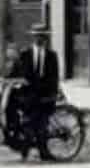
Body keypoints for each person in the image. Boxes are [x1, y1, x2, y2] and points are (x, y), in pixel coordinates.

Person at [6, 24, 61, 159]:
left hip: (44, 95)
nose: (39, 39)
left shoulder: (52, 56)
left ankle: (41, 150)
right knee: (20, 115)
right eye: (37, 36)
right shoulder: (25, 54)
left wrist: (51, 94)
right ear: (33, 37)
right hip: (28, 94)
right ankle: (24, 143)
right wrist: (5, 80)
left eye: (42, 36)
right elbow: (15, 72)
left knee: (40, 121)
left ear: (46, 38)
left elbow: (54, 78)